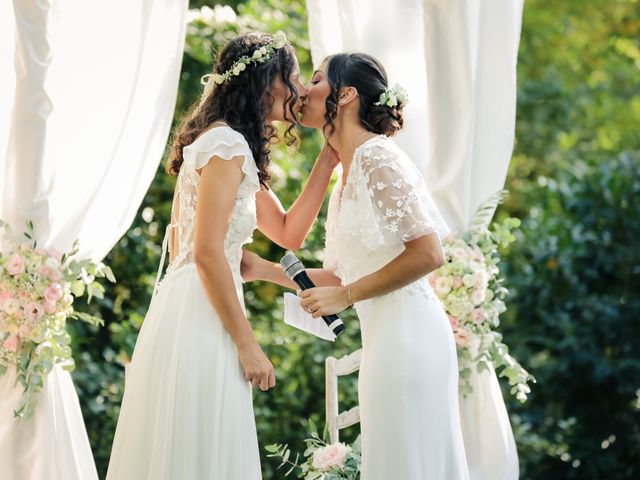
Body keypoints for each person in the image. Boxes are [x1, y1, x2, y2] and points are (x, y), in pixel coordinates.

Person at [106, 32, 337, 480]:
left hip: (197, 301)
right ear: (265, 82)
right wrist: (247, 343)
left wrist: (326, 162)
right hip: (202, 310)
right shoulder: (226, 145)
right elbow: (207, 253)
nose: (300, 90)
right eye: (292, 77)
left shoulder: (232, 147)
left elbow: (285, 234)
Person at [241, 53, 470, 479]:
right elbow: (345, 276)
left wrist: (345, 296)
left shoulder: (377, 158)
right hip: (383, 342)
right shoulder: (346, 175)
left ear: (345, 95)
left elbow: (428, 254)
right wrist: (262, 269)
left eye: (316, 79)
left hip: (412, 338)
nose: (303, 90)